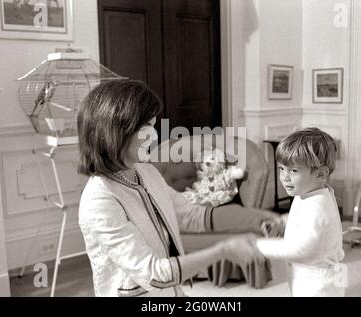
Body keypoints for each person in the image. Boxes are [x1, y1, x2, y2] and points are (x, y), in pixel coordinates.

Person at [77, 79, 275, 297]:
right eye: (143, 128)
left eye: (152, 126)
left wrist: (256, 218)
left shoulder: (146, 172)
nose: (153, 136)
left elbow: (192, 215)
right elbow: (152, 274)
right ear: (113, 131)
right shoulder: (100, 200)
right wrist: (223, 250)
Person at [255, 128, 346, 297]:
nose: (285, 177)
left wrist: (258, 246)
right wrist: (283, 221)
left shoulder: (317, 207)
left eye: (294, 171)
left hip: (317, 282)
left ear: (320, 173)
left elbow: (300, 248)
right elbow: (304, 217)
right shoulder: (312, 193)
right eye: (282, 169)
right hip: (311, 275)